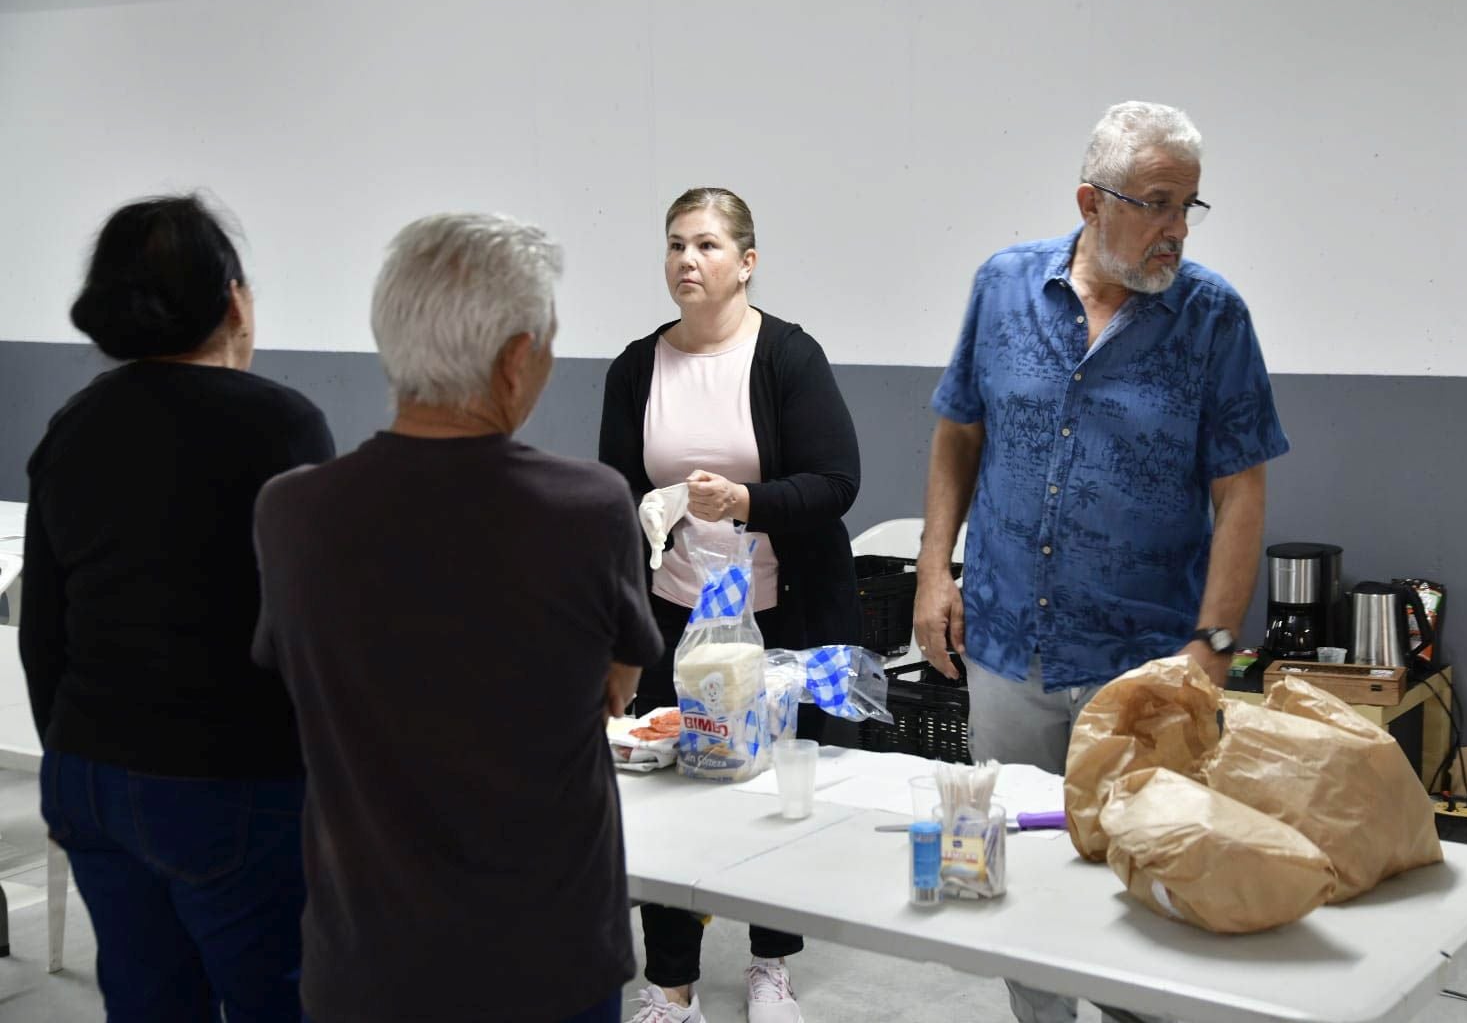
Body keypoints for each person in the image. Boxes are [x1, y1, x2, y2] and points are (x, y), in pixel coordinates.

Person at [913, 101, 1290, 1023]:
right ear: (1092, 200)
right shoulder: (1003, 288)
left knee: (1145, 895)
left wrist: (1212, 644)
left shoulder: (1213, 319)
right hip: (1010, 650)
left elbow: (1241, 491)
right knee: (1018, 886)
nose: (1176, 230)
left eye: (1190, 207)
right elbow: (959, 434)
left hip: (1146, 668)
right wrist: (934, 572)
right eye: (1158, 203)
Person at [251, 213, 662, 1023]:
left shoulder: (292, 512)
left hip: (367, 954)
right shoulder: (588, 508)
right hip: (545, 951)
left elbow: (296, 681)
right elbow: (618, 687)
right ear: (517, 359)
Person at [21, 194, 335, 1021]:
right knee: (280, 1002)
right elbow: (311, 626)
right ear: (234, 299)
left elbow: (44, 628)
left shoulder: (73, 425)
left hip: (91, 772)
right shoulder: (281, 425)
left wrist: (63, 773)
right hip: (231, 783)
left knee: (148, 1004)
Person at [599, 187, 861, 1023]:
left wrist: (745, 502)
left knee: (767, 792)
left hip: (780, 615)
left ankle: (770, 964)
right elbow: (615, 487)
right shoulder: (638, 365)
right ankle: (671, 981)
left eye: (707, 245)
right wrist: (652, 514)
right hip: (676, 612)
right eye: (676, 244)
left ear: (747, 263)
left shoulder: (788, 356)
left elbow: (835, 482)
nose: (687, 260)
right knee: (673, 792)